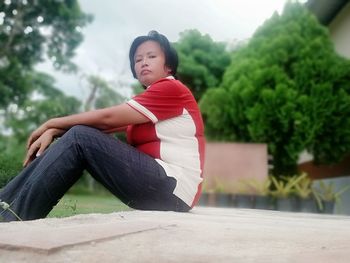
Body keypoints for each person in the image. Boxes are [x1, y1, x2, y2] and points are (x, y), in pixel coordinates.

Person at [0, 31, 205, 222]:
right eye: (138, 59)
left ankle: (11, 216)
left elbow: (106, 119)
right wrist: (54, 132)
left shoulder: (171, 89)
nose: (143, 63)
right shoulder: (149, 105)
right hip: (166, 189)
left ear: (168, 65)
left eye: (151, 57)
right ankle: (5, 206)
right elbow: (100, 130)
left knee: (80, 137)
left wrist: (51, 123)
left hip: (174, 187)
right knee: (80, 136)